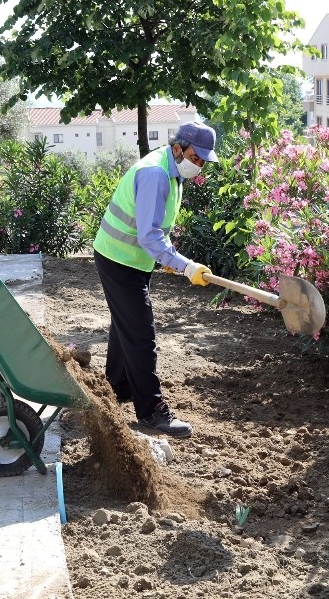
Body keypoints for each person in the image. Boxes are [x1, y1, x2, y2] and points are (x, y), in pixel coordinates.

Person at [91, 121, 219, 438]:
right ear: (178, 148)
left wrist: (168, 259)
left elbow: (155, 229)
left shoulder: (172, 170)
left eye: (203, 161)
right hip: (119, 259)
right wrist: (185, 266)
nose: (199, 166)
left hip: (131, 259)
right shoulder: (155, 174)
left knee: (126, 327)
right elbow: (149, 236)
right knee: (141, 335)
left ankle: (116, 388)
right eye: (196, 158)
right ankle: (150, 411)